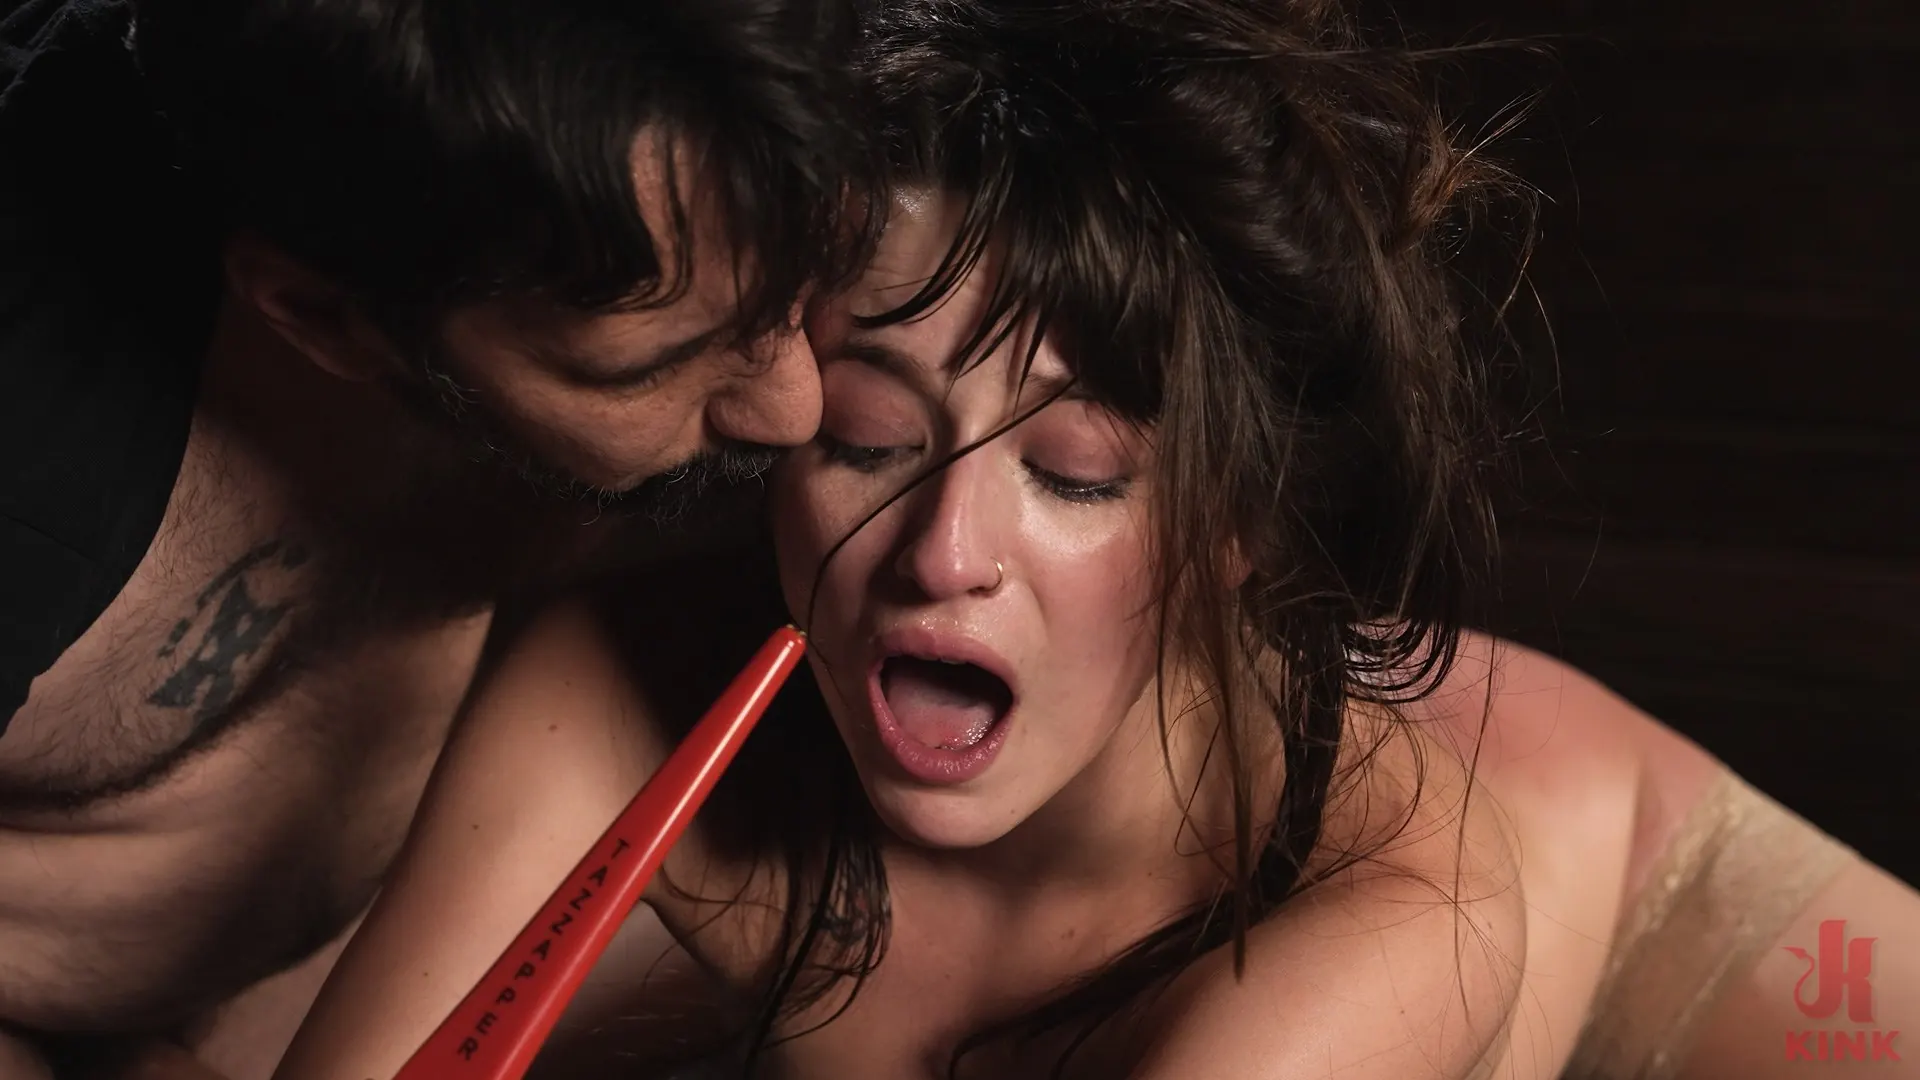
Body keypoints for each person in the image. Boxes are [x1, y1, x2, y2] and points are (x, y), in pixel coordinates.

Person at [269, 1, 1920, 1078]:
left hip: (1653, 913)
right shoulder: (628, 682)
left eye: (1073, 473)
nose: (943, 551)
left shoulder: (1391, 917)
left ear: (1235, 525)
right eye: (866, 439)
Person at [0, 0, 877, 1074]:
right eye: (648, 369)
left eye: (806, 283)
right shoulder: (38, 437)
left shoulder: (792, 97)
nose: (793, 406)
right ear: (321, 316)